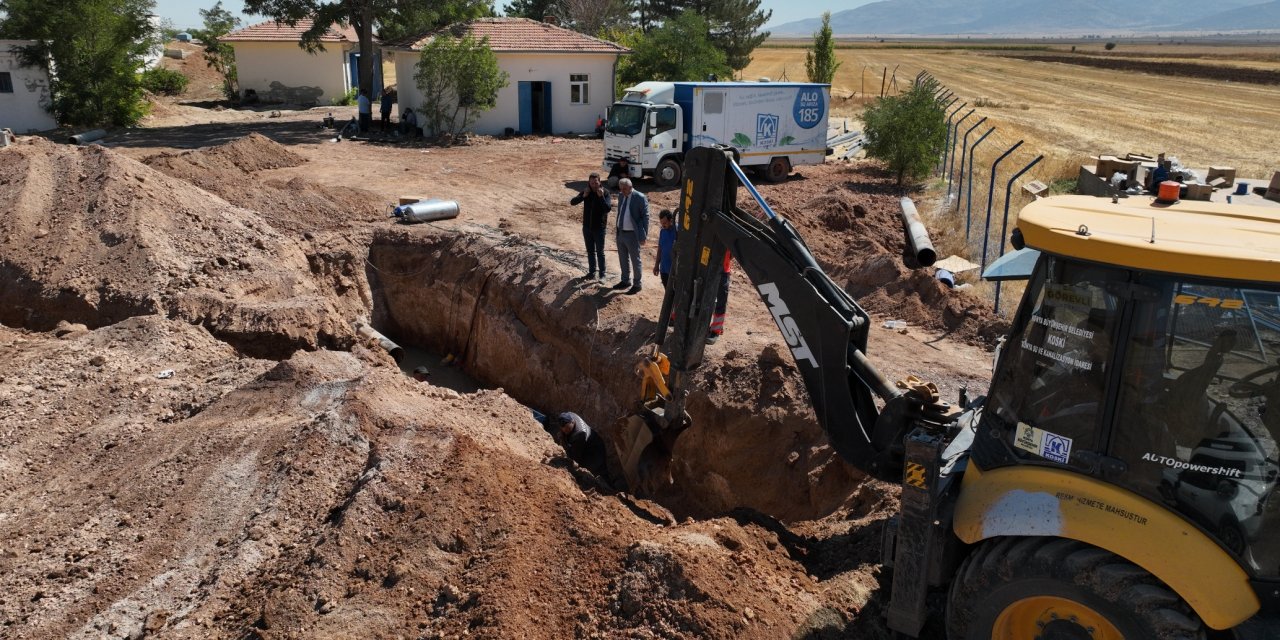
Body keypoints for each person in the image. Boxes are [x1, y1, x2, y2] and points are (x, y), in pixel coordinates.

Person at [570, 172, 612, 281]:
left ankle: (602, 275)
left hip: (599, 228)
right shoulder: (586, 191)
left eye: (596, 183)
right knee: (590, 252)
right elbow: (572, 202)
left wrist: (601, 197)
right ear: (589, 182)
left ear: (599, 182)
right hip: (587, 228)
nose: (594, 185)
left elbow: (607, 209)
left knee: (600, 252)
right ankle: (591, 273)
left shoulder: (605, 192)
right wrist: (583, 196)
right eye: (592, 183)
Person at [612, 178, 649, 295]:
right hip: (621, 232)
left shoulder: (640, 197)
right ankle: (625, 280)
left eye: (624, 189)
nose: (622, 191)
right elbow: (620, 212)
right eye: (621, 189)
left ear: (630, 187)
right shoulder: (621, 196)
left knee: (635, 260)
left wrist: (643, 235)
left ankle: (637, 284)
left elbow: (645, 217)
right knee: (623, 258)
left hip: (633, 234)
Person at [557, 412, 607, 477]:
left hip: (596, 450)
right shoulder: (570, 415)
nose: (565, 431)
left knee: (596, 471)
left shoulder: (580, 434)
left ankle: (605, 481)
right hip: (588, 442)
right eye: (563, 429)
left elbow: (574, 456)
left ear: (572, 422)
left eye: (567, 429)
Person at [706, 252, 731, 344]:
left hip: (723, 270)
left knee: (721, 300)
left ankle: (716, 331)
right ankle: (709, 326)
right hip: (708, 267)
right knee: (707, 298)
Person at [652, 209, 676, 287]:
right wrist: (656, 265)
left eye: (665, 223)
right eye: (661, 223)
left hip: (674, 270)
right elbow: (660, 249)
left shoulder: (678, 231)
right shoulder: (662, 231)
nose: (663, 225)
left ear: (671, 220)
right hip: (664, 269)